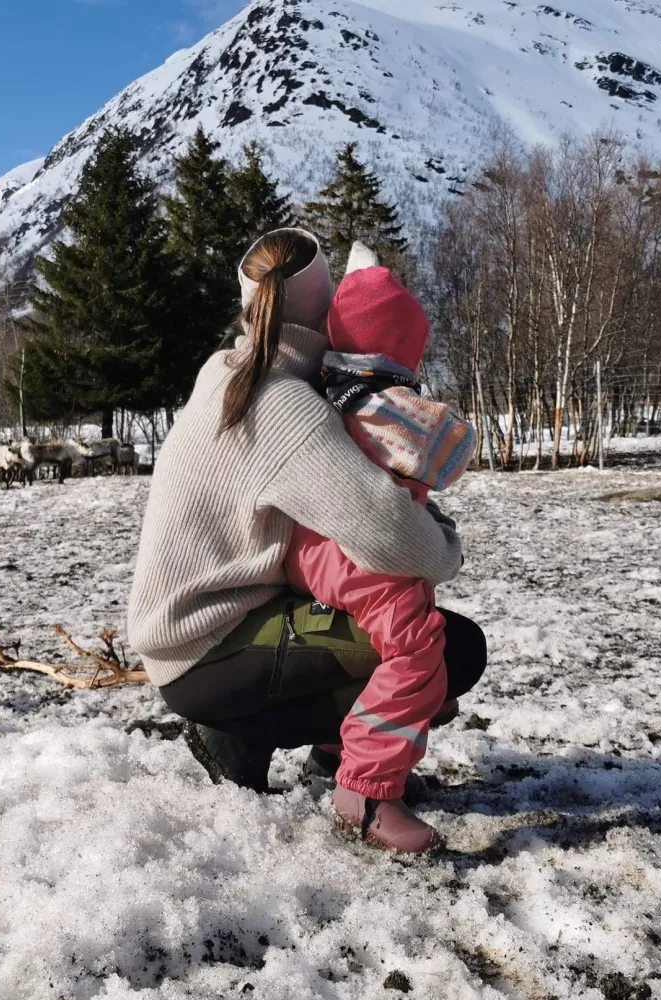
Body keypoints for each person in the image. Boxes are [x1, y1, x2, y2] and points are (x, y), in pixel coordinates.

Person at [126, 228, 487, 852]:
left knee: (378, 620)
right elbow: (391, 533)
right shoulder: (285, 404)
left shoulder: (228, 372)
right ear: (330, 310)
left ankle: (289, 744)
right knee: (451, 649)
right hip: (211, 649)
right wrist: (446, 544)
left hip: (189, 634)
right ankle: (296, 758)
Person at [284, 242, 476, 852]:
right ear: (398, 344)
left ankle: (336, 748)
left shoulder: (322, 391)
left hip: (315, 550)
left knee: (371, 644)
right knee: (417, 647)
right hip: (360, 554)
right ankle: (365, 791)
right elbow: (450, 454)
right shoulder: (380, 401)